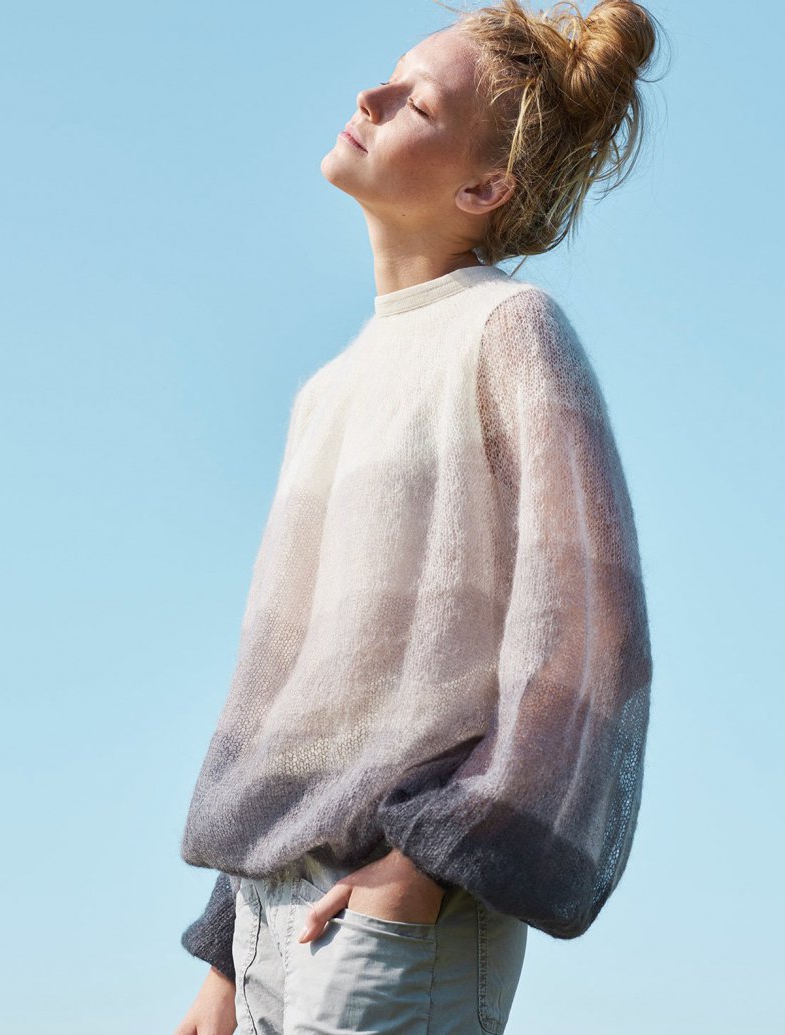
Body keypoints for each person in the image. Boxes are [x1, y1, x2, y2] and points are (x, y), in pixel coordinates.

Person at [173, 1, 665, 1033]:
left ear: (483, 188)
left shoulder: (510, 328)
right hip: (267, 930)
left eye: (419, 103)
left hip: (397, 916)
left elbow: (590, 639)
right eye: (389, 76)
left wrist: (432, 864)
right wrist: (226, 951)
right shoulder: (325, 391)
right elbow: (295, 700)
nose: (371, 96)